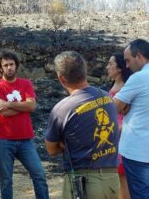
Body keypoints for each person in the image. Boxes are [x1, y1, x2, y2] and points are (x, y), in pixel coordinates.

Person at [45, 51, 119, 199]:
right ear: (85, 70)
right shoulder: (107, 98)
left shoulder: (62, 109)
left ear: (61, 78)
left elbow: (51, 149)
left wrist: (65, 142)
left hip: (85, 183)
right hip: (112, 180)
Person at [113, 39, 149, 199]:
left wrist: (125, 107)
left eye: (128, 60)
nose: (126, 66)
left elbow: (113, 106)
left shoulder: (139, 78)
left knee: (140, 193)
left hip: (137, 148)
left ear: (139, 56)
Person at [0, 50, 49, 199]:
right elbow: (3, 112)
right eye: (5, 65)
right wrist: (24, 107)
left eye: (11, 64)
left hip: (25, 140)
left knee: (39, 175)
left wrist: (10, 104)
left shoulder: (26, 84)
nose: (9, 67)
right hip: (3, 140)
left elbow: (32, 106)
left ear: (16, 66)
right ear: (1, 68)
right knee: (6, 180)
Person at [106, 52, 132, 199]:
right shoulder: (115, 84)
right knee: (117, 177)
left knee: (122, 178)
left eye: (111, 64)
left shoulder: (127, 87)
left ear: (120, 68)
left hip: (122, 136)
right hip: (111, 136)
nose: (107, 67)